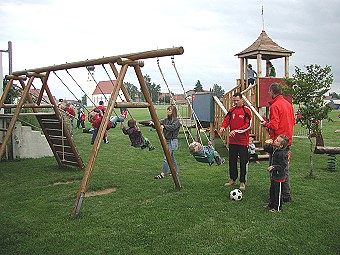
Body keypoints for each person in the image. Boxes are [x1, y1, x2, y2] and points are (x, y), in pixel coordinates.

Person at [260, 82, 295, 202]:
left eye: (269, 91)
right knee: (284, 168)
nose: (268, 93)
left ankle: (277, 194)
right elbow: (293, 121)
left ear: (273, 92)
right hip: (287, 140)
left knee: (275, 168)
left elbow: (274, 125)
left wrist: (266, 124)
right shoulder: (288, 105)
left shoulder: (275, 106)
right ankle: (286, 194)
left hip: (278, 142)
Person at [219, 92, 252, 190]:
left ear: (242, 100)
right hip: (232, 141)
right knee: (232, 161)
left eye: (237, 100)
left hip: (243, 141)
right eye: (234, 101)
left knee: (243, 162)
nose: (236, 102)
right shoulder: (231, 110)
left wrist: (236, 131)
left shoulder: (247, 110)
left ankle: (242, 182)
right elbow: (226, 120)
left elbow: (248, 125)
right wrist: (223, 127)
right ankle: (233, 179)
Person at [263, 134, 290, 212]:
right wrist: (267, 143)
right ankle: (271, 204)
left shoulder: (282, 154)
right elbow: (266, 149)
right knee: (272, 190)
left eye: (277, 141)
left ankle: (277, 208)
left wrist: (273, 167)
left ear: (281, 146)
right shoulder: (275, 149)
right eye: (276, 139)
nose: (275, 140)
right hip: (274, 175)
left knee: (278, 193)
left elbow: (283, 166)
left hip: (279, 177)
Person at [153, 105, 180, 179]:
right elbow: (159, 124)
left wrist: (164, 126)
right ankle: (175, 171)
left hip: (172, 141)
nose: (168, 111)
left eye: (170, 110)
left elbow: (173, 127)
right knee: (171, 157)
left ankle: (163, 173)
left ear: (173, 112)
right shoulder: (165, 120)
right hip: (167, 140)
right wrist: (153, 124)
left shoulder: (176, 121)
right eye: (168, 110)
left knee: (167, 158)